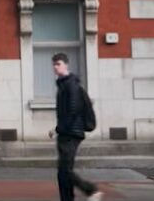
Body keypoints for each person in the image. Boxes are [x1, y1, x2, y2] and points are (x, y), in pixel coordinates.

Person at [49, 53, 104, 201]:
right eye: (53, 64)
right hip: (66, 131)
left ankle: (91, 190)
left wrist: (58, 129)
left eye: (58, 64)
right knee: (62, 172)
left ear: (66, 65)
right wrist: (58, 129)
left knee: (65, 170)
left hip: (72, 133)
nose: (55, 67)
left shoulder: (71, 84)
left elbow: (73, 110)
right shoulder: (63, 84)